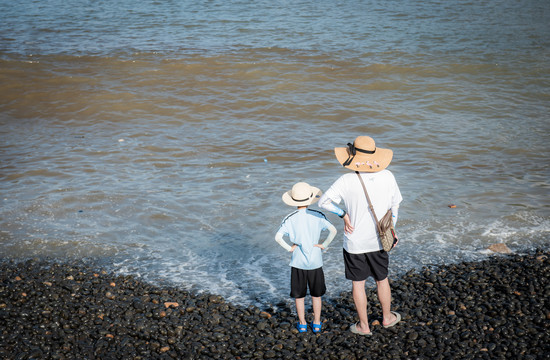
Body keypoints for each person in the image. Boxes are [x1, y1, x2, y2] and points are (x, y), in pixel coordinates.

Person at [318, 136, 402, 336]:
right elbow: (395, 205)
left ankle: (363, 326)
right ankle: (387, 318)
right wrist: (392, 230)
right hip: (380, 240)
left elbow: (323, 202)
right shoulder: (388, 176)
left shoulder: (346, 180)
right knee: (382, 280)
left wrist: (343, 215)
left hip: (355, 242)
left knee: (358, 284)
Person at [275, 182, 337, 333]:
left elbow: (278, 237)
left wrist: (290, 248)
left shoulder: (290, 218)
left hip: (298, 262)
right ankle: (316, 323)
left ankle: (302, 323)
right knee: (316, 295)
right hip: (315, 262)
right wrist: (323, 245)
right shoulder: (318, 215)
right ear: (310, 199)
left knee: (299, 296)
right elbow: (333, 230)